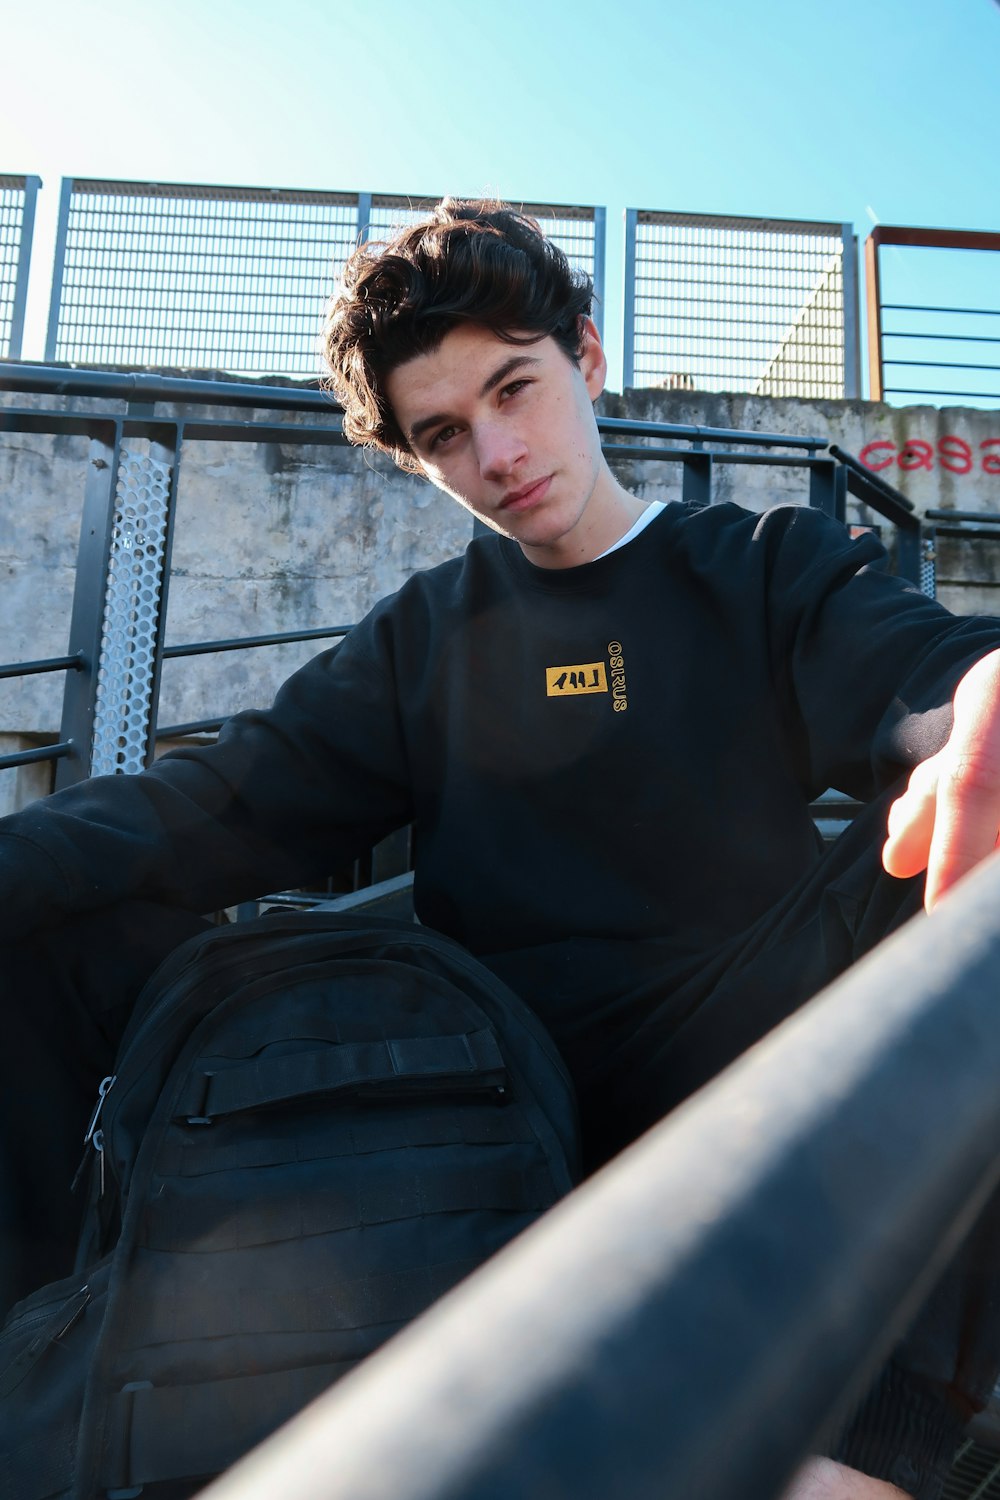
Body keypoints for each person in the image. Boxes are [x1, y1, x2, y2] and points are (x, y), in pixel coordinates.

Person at [3, 199, 1000, 1500]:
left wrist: (981, 693)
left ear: (583, 358)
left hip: (777, 1127)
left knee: (955, 847)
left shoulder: (758, 565)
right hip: (507, 1150)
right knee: (59, 905)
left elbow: (916, 671)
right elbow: (211, 811)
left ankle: (878, 1442)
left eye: (515, 390)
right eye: (444, 436)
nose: (499, 452)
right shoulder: (427, 641)